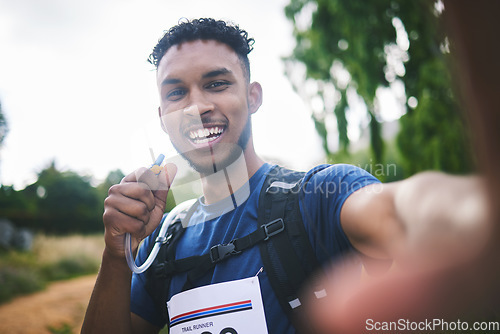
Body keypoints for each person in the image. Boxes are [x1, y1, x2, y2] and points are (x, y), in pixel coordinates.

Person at [81, 18, 489, 334]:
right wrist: (117, 256)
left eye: (217, 83)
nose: (197, 106)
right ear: (161, 117)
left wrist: (474, 213)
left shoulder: (319, 194)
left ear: (252, 96)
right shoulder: (160, 239)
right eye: (176, 93)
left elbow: (397, 209)